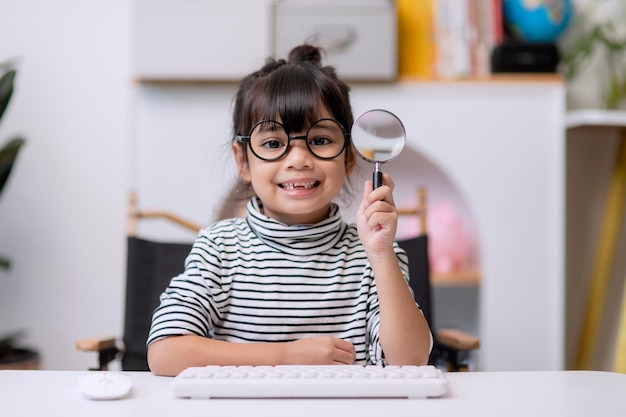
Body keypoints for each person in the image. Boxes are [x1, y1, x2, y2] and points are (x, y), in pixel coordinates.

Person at [146, 44, 432, 377]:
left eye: (321, 140)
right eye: (273, 143)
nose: (298, 159)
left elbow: (410, 364)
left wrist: (381, 255)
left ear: (350, 156)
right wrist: (286, 356)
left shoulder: (377, 255)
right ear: (243, 162)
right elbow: (165, 352)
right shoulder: (219, 247)